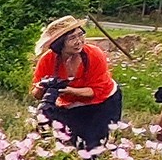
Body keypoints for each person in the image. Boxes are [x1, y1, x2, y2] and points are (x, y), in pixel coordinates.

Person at [30, 18, 123, 151]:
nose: (79, 41)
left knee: (94, 145)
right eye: (72, 38)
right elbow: (37, 94)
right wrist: (42, 87)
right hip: (70, 105)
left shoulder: (94, 54)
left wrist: (67, 90)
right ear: (59, 43)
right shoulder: (48, 60)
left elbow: (95, 91)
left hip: (104, 102)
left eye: (80, 35)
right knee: (68, 141)